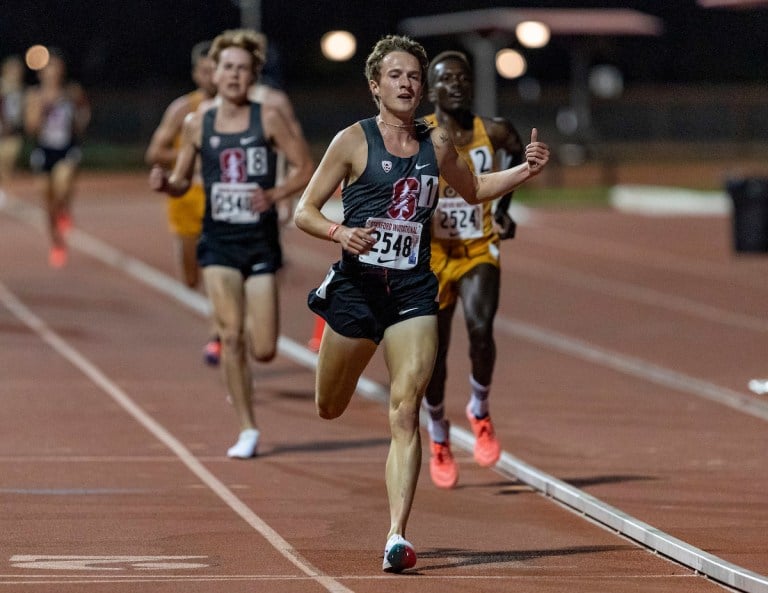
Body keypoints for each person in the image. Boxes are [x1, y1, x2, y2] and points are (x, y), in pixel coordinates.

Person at [293, 34, 549, 573]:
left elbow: (475, 188)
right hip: (358, 288)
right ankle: (330, 298)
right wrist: (341, 233)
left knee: (405, 407)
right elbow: (304, 212)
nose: (407, 84)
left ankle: (396, 536)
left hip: (412, 289)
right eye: (396, 76)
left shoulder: (435, 145)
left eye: (413, 76)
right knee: (328, 406)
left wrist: (526, 170)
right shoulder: (353, 141)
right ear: (375, 85)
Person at [149, 29, 313, 459]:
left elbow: (304, 167)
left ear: (253, 75)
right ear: (214, 73)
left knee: (264, 348)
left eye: (243, 69)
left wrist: (275, 196)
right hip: (218, 243)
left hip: (259, 244)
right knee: (232, 336)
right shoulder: (196, 122)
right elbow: (184, 179)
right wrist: (168, 184)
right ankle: (247, 427)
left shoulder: (268, 118)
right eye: (227, 68)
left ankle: (246, 391)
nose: (234, 75)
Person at [421, 50, 524, 489]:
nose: (457, 85)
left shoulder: (494, 130)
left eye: (463, 78)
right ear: (432, 91)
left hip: (479, 246)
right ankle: (439, 433)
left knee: (481, 328)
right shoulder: (418, 133)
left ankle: (479, 409)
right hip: (432, 255)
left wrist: (503, 210)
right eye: (446, 80)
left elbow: (518, 151)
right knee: (434, 356)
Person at [145, 41, 221, 365]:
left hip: (223, 205)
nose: (213, 76)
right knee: (192, 279)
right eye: (205, 70)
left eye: (217, 69)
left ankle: (219, 337)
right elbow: (154, 153)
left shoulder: (246, 110)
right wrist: (191, 154)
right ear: (196, 73)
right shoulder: (182, 110)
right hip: (186, 201)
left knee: (220, 270)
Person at [24, 48, 90, 268]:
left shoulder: (72, 92)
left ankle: (65, 210)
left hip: (66, 148)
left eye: (56, 67)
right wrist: (43, 109)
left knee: (63, 184)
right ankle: (56, 242)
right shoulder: (34, 95)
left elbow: (84, 114)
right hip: (44, 150)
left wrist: (80, 123)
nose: (53, 72)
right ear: (42, 73)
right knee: (47, 200)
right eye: (49, 68)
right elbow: (30, 128)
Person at [0, 55, 25, 201]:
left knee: (9, 161)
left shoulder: (21, 88)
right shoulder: (2, 86)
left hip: (14, 131)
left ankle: (4, 187)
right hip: (2, 129)